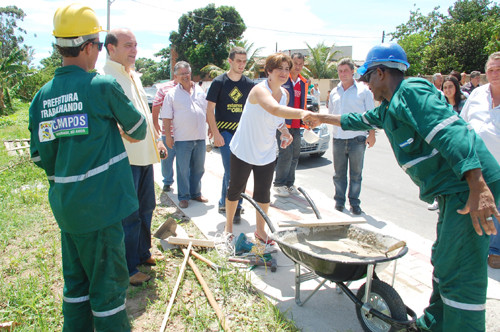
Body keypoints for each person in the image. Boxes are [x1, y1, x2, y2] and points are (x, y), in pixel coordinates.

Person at [304, 43, 500, 332]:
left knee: (460, 270)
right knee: (444, 260)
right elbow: (357, 120)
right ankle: (433, 325)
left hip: (468, 188)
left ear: (381, 73)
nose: (366, 85)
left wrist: (479, 187)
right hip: (452, 191)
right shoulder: (391, 107)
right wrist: (321, 117)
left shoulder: (412, 92)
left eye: (367, 77)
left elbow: (453, 135)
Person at [29, 4, 147, 330]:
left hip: (68, 210)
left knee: (76, 287)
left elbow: (40, 157)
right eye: (96, 46)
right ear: (88, 47)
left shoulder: (42, 97)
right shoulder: (101, 86)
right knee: (108, 292)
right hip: (101, 209)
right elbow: (138, 129)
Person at [225, 53, 313, 244]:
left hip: (266, 151)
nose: (284, 72)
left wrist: (285, 132)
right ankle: (228, 229)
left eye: (287, 69)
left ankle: (260, 231)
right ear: (269, 71)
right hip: (244, 149)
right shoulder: (259, 91)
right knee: (235, 190)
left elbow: (278, 119)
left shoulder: (285, 94)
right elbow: (273, 109)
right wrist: (304, 113)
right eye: (279, 68)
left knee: (263, 194)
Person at [104, 28, 167, 286]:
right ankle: (128, 268)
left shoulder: (134, 76)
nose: (134, 50)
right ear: (111, 48)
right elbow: (104, 119)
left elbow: (144, 113)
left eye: (136, 45)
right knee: (128, 215)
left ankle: (143, 253)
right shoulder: (105, 78)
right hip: (124, 159)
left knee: (147, 209)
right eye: (127, 45)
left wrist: (158, 139)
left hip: (144, 156)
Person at [205, 47, 255, 222]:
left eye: (244, 61)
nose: (242, 64)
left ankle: (224, 200)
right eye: (238, 61)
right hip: (225, 132)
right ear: (230, 61)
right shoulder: (219, 82)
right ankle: (234, 206)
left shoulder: (249, 85)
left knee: (237, 170)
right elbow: (210, 110)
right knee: (232, 170)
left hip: (243, 133)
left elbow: (255, 109)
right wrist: (216, 134)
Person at [461, 52, 500, 269]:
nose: (495, 74)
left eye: (499, 69)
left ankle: (495, 250)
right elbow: (462, 123)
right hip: (475, 166)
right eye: (491, 70)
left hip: (499, 167)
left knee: (497, 208)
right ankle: (476, 247)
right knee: (475, 207)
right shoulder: (477, 94)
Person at [328, 58, 376, 215]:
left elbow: (370, 115)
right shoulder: (334, 92)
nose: (343, 74)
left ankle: (354, 203)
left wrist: (372, 135)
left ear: (352, 71)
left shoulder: (364, 91)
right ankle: (339, 202)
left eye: (346, 71)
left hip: (358, 140)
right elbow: (331, 116)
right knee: (338, 174)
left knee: (356, 174)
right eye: (340, 71)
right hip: (339, 139)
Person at [161, 61, 208, 209]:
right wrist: (168, 136)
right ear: (176, 76)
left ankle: (196, 193)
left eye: (187, 73)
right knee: (183, 169)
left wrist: (212, 128)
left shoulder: (200, 90)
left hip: (200, 137)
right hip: (182, 139)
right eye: (182, 74)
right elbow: (166, 117)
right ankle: (183, 196)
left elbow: (208, 111)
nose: (185, 76)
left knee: (199, 168)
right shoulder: (171, 94)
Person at [273, 52, 309, 197]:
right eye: (295, 63)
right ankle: (279, 184)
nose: (298, 67)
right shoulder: (283, 80)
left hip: (297, 125)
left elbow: (303, 105)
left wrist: (306, 121)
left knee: (295, 154)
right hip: (283, 125)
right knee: (285, 154)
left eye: (301, 64)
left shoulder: (303, 82)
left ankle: (289, 183)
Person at [152, 79, 178, 192]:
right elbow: (156, 105)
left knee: (185, 162)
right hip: (169, 131)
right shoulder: (164, 88)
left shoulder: (190, 87)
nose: (185, 75)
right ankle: (167, 181)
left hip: (186, 133)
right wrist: (155, 123)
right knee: (167, 158)